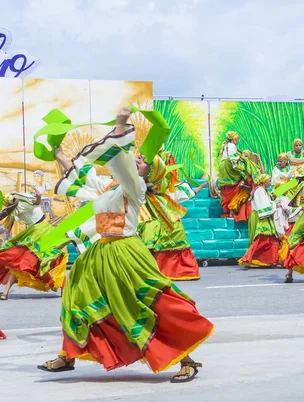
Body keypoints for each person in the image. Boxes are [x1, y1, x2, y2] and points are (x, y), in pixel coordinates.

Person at [38, 107, 214, 384]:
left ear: (146, 174)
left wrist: (121, 124)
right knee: (75, 300)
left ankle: (186, 360)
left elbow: (120, 160)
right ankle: (68, 355)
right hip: (99, 253)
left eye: (143, 162)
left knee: (147, 304)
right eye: (138, 158)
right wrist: (59, 153)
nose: (139, 160)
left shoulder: (135, 188)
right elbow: (84, 175)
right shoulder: (110, 188)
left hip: (126, 252)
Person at [138, 154, 208, 281]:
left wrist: (202, 186)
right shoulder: (136, 188)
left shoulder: (161, 192)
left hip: (161, 222)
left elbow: (184, 194)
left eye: (142, 161)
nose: (138, 161)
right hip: (152, 221)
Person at [0, 189, 67, 300]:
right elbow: (36, 202)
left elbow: (35, 202)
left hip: (37, 230)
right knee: (56, 255)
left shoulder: (16, 209)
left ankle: (5, 293)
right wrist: (38, 196)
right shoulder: (20, 205)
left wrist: (38, 197)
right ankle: (64, 289)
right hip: (41, 229)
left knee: (19, 261)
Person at [217, 131, 261, 222]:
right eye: (237, 139)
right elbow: (234, 160)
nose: (238, 141)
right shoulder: (232, 146)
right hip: (229, 168)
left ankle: (231, 210)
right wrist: (239, 168)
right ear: (234, 139)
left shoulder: (227, 145)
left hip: (224, 168)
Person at [240, 174, 281, 267]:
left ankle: (266, 260)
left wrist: (274, 203)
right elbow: (262, 206)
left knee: (269, 238)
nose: (270, 183)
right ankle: (251, 258)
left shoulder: (263, 190)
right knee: (262, 238)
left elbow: (267, 203)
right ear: (264, 182)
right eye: (269, 181)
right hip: (260, 217)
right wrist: (275, 205)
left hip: (264, 216)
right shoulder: (259, 191)